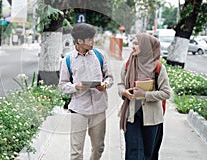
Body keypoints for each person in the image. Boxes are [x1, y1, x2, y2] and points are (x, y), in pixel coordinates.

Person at [59, 23, 114, 160]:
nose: (93, 42)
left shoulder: (100, 55)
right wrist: (75, 87)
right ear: (79, 41)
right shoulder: (67, 60)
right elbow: (62, 85)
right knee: (76, 150)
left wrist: (104, 85)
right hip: (79, 109)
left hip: (99, 108)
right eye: (90, 39)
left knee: (99, 147)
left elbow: (110, 78)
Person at [118, 33, 173, 160]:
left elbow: (166, 92)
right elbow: (120, 84)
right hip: (132, 115)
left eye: (136, 43)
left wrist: (145, 95)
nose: (133, 46)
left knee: (149, 154)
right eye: (133, 43)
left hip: (152, 118)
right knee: (133, 153)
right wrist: (124, 92)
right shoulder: (128, 64)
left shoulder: (158, 67)